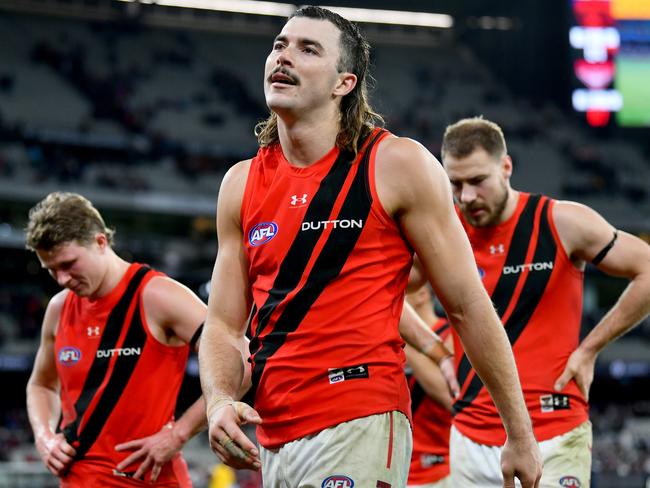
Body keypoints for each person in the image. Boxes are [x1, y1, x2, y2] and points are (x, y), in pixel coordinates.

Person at [199, 6, 542, 488]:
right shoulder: (240, 184)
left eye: (307, 48)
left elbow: (467, 306)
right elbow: (223, 324)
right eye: (279, 45)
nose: (283, 56)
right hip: (273, 433)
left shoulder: (397, 164)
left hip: (360, 415)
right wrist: (217, 402)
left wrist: (519, 434)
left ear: (344, 83)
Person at [440, 116, 650, 487]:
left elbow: (647, 269)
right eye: (455, 184)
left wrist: (590, 349)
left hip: (553, 429)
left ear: (506, 167)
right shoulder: (444, 233)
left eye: (477, 181)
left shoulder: (561, 221)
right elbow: (391, 289)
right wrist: (434, 347)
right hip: (470, 435)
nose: (466, 196)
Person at [25, 192, 212, 486]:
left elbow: (237, 358)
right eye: (51, 270)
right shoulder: (60, 308)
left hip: (149, 479)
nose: (62, 279)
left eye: (69, 264)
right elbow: (41, 384)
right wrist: (44, 436)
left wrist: (179, 434)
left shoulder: (158, 296)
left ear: (101, 242)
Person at [404, 280, 453, 488]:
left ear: (422, 294)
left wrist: (403, 335)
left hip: (439, 468)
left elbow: (448, 397)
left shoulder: (450, 336)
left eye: (401, 291)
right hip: (396, 466)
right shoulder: (386, 342)